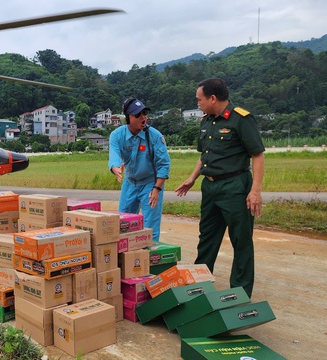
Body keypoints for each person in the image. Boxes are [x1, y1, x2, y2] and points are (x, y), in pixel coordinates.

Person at [175, 78, 265, 298]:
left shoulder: (242, 119)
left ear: (212, 98)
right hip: (210, 187)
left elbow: (258, 155)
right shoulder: (206, 121)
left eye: (199, 99)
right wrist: (192, 178)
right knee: (207, 238)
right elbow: (204, 156)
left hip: (235, 187)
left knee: (241, 240)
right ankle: (199, 287)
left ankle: (240, 294)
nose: (198, 104)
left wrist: (255, 191)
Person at [108, 98, 171, 243]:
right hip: (129, 183)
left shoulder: (155, 136)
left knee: (150, 227)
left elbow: (164, 164)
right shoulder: (117, 136)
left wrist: (156, 189)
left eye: (145, 113)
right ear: (127, 118)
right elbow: (114, 154)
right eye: (138, 115)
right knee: (123, 223)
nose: (143, 117)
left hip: (150, 184)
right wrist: (115, 167)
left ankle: (150, 259)